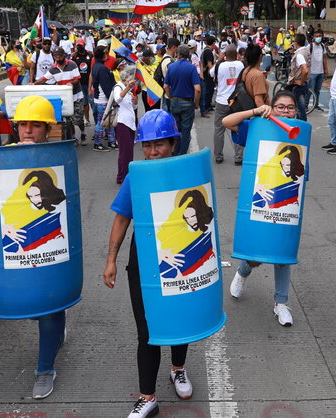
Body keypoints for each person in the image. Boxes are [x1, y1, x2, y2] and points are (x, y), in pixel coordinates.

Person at [102, 110, 195, 418]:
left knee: (180, 319)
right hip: (143, 262)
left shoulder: (187, 172)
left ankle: (178, 369)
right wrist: (111, 260)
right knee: (147, 330)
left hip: (180, 259)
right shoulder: (136, 176)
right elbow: (121, 218)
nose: (153, 151)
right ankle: (148, 398)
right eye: (148, 145)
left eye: (160, 144)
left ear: (173, 143)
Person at [4, 95, 69, 399]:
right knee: (41, 303)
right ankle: (56, 332)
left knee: (50, 302)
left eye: (35, 125)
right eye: (23, 125)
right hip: (21, 249)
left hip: (54, 244)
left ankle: (45, 368)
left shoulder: (60, 157)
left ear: (47, 129)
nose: (28, 131)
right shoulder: (3, 158)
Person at [221, 91, 302, 327]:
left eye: (290, 107)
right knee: (256, 254)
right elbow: (227, 122)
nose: (285, 111)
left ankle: (281, 303)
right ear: (272, 107)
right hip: (260, 201)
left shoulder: (299, 132)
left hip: (287, 203)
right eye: (280, 107)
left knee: (283, 254)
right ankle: (243, 272)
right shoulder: (259, 127)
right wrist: (256, 111)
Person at [43, 47, 86, 145]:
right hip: (65, 97)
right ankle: (74, 137)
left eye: (60, 56)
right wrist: (33, 83)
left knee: (78, 119)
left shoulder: (72, 64)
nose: (58, 58)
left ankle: (83, 132)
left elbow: (77, 79)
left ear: (64, 56)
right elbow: (43, 79)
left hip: (76, 96)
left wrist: (71, 83)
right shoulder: (53, 69)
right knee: (69, 119)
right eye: (56, 56)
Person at [163, 45, 201, 156]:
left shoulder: (172, 67)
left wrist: (170, 97)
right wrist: (196, 103)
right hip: (187, 101)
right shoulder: (191, 68)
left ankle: (175, 150)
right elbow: (197, 89)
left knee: (176, 128)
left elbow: (166, 86)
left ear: (178, 54)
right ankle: (183, 153)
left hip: (175, 101)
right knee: (186, 131)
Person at [211, 45, 245, 165]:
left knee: (219, 129)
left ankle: (218, 156)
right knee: (237, 128)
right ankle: (238, 157)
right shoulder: (241, 65)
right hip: (237, 101)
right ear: (236, 54)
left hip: (222, 101)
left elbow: (210, 74)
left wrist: (219, 59)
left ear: (225, 55)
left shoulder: (219, 65)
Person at [113, 65, 139, 184]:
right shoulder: (118, 87)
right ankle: (122, 177)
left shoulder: (128, 90)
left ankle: (126, 175)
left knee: (129, 152)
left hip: (130, 124)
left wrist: (135, 102)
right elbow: (117, 99)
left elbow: (133, 107)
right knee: (125, 152)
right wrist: (128, 87)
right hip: (122, 123)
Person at [91, 46, 118, 152]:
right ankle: (97, 143)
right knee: (101, 122)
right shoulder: (101, 68)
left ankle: (111, 141)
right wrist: (113, 99)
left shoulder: (97, 66)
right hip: (103, 99)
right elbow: (106, 87)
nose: (107, 55)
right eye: (105, 53)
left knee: (109, 121)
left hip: (101, 99)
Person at [71, 41, 94, 127]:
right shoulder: (74, 56)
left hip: (89, 82)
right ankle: (86, 119)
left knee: (92, 102)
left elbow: (92, 68)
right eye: (78, 46)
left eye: (81, 45)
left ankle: (95, 119)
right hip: (79, 83)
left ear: (84, 45)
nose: (79, 47)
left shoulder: (90, 55)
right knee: (84, 103)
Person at [289, 34, 310, 121]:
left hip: (298, 84)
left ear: (296, 42)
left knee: (300, 109)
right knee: (300, 108)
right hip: (305, 82)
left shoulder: (299, 54)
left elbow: (305, 70)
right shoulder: (306, 50)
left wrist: (301, 81)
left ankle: (301, 128)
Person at [308, 29, 330, 112]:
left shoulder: (322, 46)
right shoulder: (310, 46)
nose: (318, 38)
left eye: (320, 36)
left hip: (320, 72)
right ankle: (306, 105)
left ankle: (316, 104)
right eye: (317, 36)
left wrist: (326, 69)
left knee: (317, 90)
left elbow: (324, 58)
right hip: (312, 72)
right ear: (314, 37)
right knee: (310, 90)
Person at [200, 35, 217, 118]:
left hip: (207, 73)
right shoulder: (209, 52)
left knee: (209, 90)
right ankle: (206, 107)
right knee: (208, 91)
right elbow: (210, 65)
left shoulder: (206, 50)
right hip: (208, 74)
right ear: (213, 43)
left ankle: (208, 105)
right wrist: (216, 64)